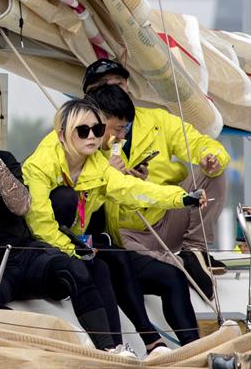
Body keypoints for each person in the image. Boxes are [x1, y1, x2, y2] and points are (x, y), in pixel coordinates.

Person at [0, 96, 128, 355]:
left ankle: (110, 350)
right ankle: (39, 350)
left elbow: (22, 206)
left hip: (23, 251)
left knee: (76, 269)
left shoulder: (4, 159)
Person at [23, 99, 206, 354]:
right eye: (82, 131)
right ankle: (113, 347)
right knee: (91, 258)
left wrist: (182, 199)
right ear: (62, 134)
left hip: (76, 243)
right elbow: (39, 222)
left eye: (97, 130)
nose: (92, 137)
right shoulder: (40, 164)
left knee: (114, 261)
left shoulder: (96, 164)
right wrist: (74, 249)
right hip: (38, 249)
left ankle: (137, 347)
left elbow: (133, 190)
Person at [82, 58, 231, 295]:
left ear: (128, 86)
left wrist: (209, 156)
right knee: (156, 268)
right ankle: (184, 264)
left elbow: (198, 142)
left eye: (118, 84)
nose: (112, 90)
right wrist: (108, 174)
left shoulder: (157, 120)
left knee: (214, 170)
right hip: (127, 233)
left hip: (168, 216)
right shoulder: (82, 135)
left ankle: (195, 250)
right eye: (103, 86)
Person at [82, 84, 201, 347]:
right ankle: (148, 340)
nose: (121, 136)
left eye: (125, 129)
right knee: (116, 261)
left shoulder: (113, 153)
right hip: (78, 245)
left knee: (172, 277)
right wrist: (104, 176)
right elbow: (70, 206)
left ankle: (194, 348)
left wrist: (179, 198)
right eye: (117, 129)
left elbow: (128, 197)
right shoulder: (74, 151)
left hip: (110, 244)